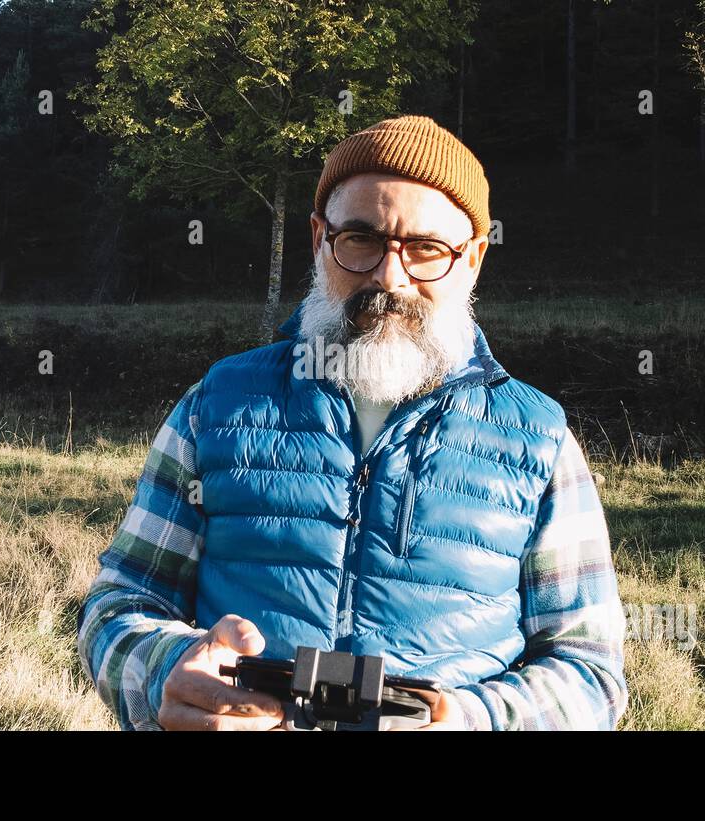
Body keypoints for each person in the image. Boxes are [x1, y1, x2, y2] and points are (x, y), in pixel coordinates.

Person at [77, 114, 628, 731]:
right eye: (361, 240)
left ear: (472, 260)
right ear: (319, 239)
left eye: (426, 250)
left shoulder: (539, 439)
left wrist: (473, 721)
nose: (390, 278)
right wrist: (164, 672)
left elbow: (590, 671)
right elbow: (120, 602)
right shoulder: (218, 405)